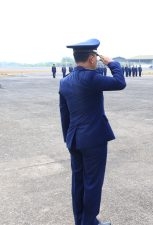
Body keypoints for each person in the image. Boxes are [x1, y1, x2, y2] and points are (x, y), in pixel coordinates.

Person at [59, 38, 126, 225]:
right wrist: (112, 63)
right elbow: (120, 82)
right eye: (95, 57)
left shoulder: (64, 82)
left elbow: (64, 114)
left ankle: (80, 220)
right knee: (92, 183)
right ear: (91, 58)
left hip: (74, 139)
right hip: (93, 140)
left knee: (78, 183)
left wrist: (68, 139)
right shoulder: (91, 78)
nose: (97, 60)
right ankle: (89, 222)